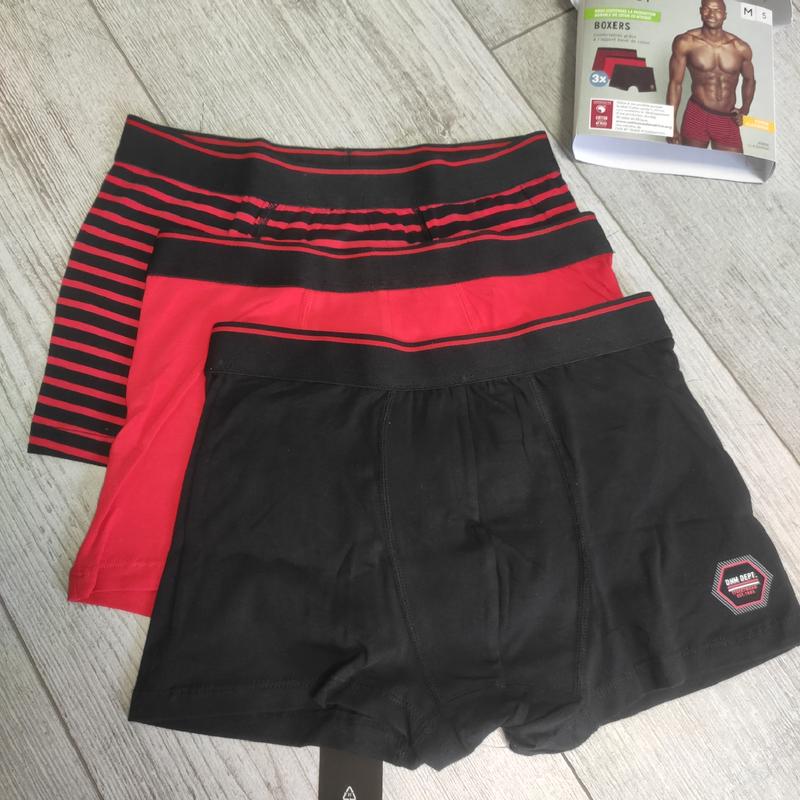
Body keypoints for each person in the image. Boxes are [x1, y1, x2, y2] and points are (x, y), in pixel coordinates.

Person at [665, 0, 755, 152]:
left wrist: (745, 110)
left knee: (733, 165)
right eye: (707, 9)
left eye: (717, 10)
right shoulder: (686, 42)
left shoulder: (740, 48)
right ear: (701, 11)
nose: (712, 14)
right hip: (697, 114)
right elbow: (675, 84)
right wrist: (669, 124)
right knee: (689, 163)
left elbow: (749, 80)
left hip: (727, 118)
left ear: (725, 15)